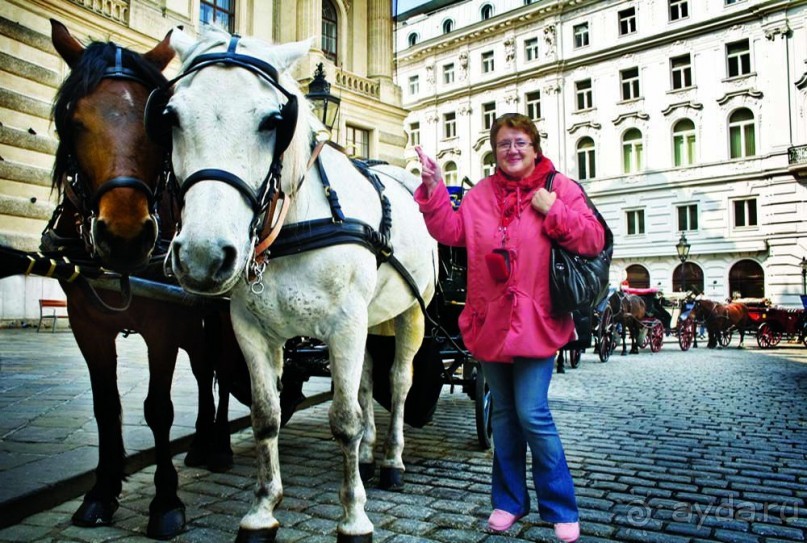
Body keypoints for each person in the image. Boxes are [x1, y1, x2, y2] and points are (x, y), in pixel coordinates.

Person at [413, 113, 606, 543]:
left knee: (532, 414)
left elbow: (593, 239)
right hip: (490, 321)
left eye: (520, 142)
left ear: (535, 148)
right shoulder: (480, 194)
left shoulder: (560, 187)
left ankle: (560, 507)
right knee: (503, 415)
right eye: (503, 144)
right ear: (494, 152)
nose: (512, 150)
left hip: (538, 320)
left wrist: (553, 210)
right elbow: (450, 230)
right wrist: (432, 188)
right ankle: (509, 502)